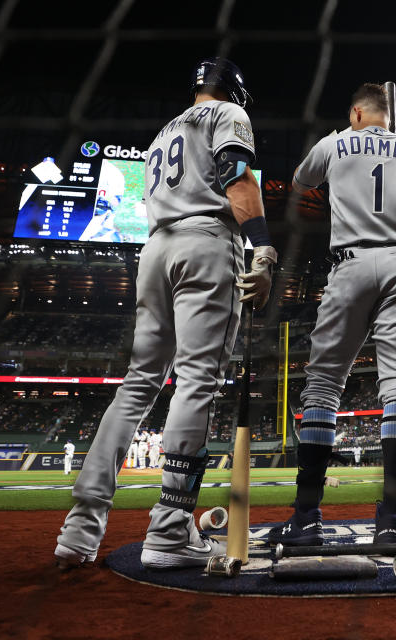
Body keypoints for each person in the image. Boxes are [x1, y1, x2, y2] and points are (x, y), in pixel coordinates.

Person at [54, 57, 276, 571]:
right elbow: (237, 176)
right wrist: (262, 249)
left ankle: (80, 528)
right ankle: (171, 528)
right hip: (204, 241)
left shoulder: (162, 133)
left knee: (137, 385)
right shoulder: (227, 115)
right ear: (234, 91)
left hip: (154, 251)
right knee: (197, 379)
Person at [268, 83, 396, 547]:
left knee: (325, 383)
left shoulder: (334, 143)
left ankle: (307, 517)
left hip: (349, 264)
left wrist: (341, 146)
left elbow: (299, 181)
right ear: (389, 115)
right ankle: (391, 520)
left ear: (356, 111)